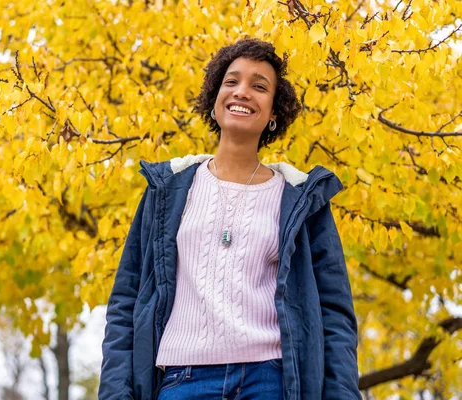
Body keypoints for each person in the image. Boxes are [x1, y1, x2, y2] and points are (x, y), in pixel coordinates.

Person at [99, 37, 362, 400]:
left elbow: (335, 315)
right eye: (231, 81)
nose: (242, 92)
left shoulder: (302, 199)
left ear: (274, 114)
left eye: (259, 86)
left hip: (271, 380)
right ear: (214, 101)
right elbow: (126, 302)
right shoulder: (167, 190)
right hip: (180, 380)